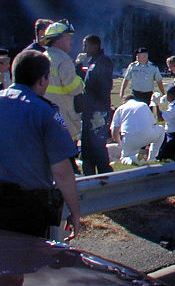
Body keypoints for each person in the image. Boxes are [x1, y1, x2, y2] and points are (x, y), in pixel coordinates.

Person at [0, 50, 80, 240]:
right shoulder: (46, 112)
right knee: (28, 264)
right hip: (27, 209)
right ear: (42, 80)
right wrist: (74, 212)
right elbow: (62, 172)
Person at [40, 20, 84, 142]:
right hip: (62, 115)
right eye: (68, 37)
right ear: (59, 40)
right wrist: (81, 80)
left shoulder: (43, 57)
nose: (71, 41)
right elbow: (74, 88)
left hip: (44, 114)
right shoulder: (64, 59)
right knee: (65, 152)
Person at [76, 35, 114, 175]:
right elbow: (86, 82)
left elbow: (104, 87)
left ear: (95, 46)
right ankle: (89, 175)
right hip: (89, 110)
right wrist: (78, 67)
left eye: (86, 46)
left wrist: (100, 111)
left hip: (97, 112)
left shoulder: (103, 62)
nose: (84, 49)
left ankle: (107, 176)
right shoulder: (93, 62)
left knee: (98, 147)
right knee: (87, 147)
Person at [110, 95, 166, 165]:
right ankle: (152, 158)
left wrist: (120, 144)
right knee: (161, 129)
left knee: (124, 157)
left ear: (124, 102)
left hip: (129, 139)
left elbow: (114, 131)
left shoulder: (120, 109)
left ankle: (133, 160)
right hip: (147, 136)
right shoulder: (143, 105)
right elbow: (153, 124)